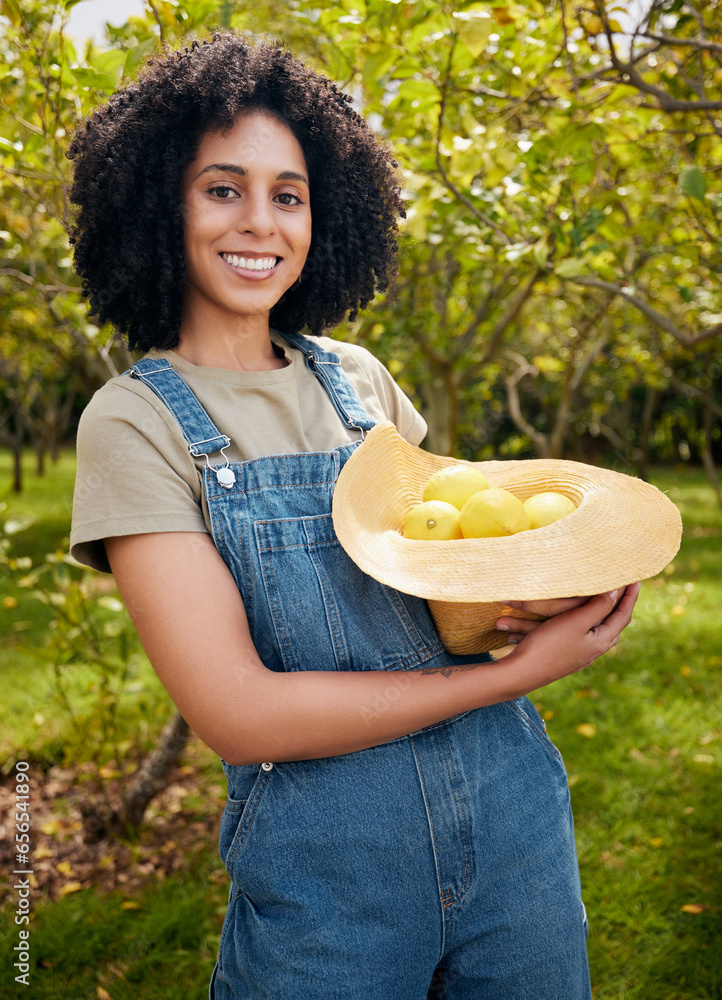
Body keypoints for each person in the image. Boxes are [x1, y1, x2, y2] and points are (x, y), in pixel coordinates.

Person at [67, 31, 639, 1000]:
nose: (261, 223)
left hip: (515, 837)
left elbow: (453, 586)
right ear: (156, 201)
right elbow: (238, 715)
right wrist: (514, 678)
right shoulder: (136, 421)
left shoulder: (358, 382)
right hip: (331, 876)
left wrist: (545, 594)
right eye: (222, 188)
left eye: (287, 194)